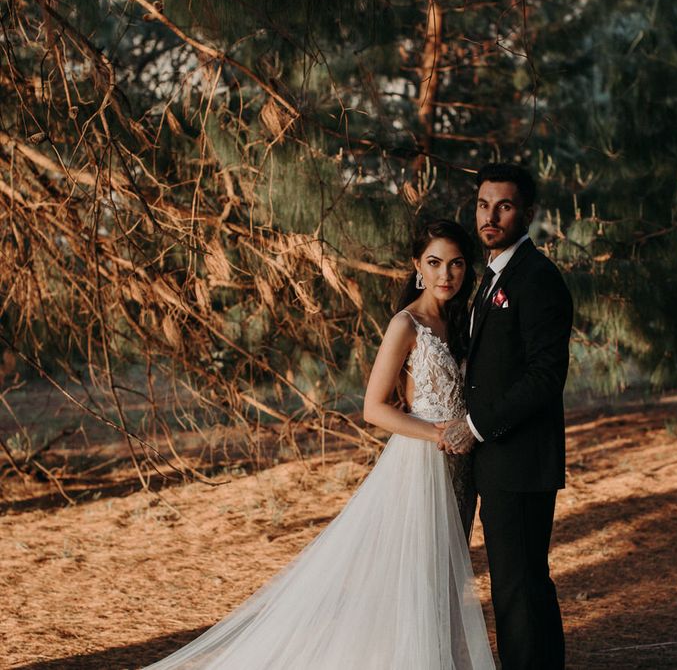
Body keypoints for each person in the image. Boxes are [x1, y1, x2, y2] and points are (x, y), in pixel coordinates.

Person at [141, 220, 495, 669]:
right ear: (416, 267)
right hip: (421, 465)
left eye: (457, 264)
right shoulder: (406, 324)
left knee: (448, 579)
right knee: (419, 579)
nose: (446, 274)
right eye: (434, 263)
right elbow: (373, 408)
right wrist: (439, 434)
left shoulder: (459, 322)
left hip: (461, 471)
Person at [439, 163, 573, 670]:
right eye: (482, 204)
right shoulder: (492, 275)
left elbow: (545, 376)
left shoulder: (536, 278)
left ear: (529, 213)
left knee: (519, 591)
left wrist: (475, 427)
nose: (490, 216)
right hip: (499, 460)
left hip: (519, 460)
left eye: (505, 206)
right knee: (521, 587)